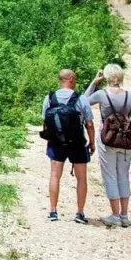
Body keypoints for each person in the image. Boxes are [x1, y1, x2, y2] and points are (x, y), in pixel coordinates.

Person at [86, 62, 131, 227]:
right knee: (122, 176)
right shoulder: (130, 96)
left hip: (108, 140)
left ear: (107, 77)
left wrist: (94, 82)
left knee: (110, 176)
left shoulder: (102, 95)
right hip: (126, 142)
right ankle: (125, 215)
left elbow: (84, 100)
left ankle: (115, 215)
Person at [41, 68, 95, 224]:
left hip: (56, 142)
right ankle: (79, 213)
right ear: (70, 79)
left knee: (55, 176)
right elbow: (89, 124)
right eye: (75, 78)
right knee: (81, 179)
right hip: (77, 142)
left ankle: (53, 211)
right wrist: (91, 142)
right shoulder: (81, 99)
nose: (76, 81)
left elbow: (45, 120)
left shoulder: (49, 98)